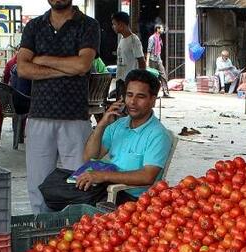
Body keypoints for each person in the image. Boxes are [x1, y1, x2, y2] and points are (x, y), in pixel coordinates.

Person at [41, 70, 172, 208]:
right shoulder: (119, 125)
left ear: (152, 100)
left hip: (130, 197)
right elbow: (90, 156)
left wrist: (103, 176)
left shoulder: (158, 134)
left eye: (140, 97)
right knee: (53, 183)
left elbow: (147, 176)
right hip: (106, 184)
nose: (132, 102)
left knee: (63, 197)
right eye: (129, 95)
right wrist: (101, 125)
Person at [16, 0, 101, 213]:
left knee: (78, 184)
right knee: (38, 184)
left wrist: (43, 59)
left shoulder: (87, 25)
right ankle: (42, 234)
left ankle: (77, 235)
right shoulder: (34, 26)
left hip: (75, 117)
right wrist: (67, 69)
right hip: (39, 115)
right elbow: (23, 69)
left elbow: (83, 65)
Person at [112, 11, 145, 101]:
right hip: (120, 79)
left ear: (121, 24)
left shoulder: (134, 40)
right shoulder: (122, 39)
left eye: (114, 24)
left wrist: (141, 81)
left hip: (130, 80)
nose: (113, 27)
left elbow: (141, 61)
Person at [147, 24, 172, 98]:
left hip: (158, 59)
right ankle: (153, 93)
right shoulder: (152, 38)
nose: (163, 29)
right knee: (153, 77)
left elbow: (159, 50)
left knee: (163, 75)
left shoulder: (159, 38)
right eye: (161, 28)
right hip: (152, 59)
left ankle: (166, 92)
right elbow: (149, 50)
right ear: (157, 29)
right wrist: (147, 62)